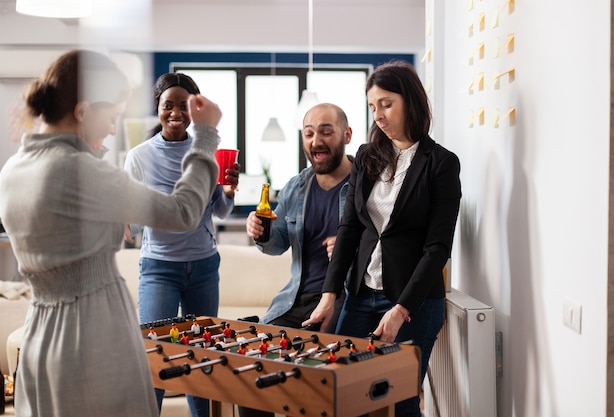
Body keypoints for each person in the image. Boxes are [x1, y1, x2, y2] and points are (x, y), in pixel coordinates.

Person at [0, 49, 221, 417]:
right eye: (111, 117)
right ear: (83, 112)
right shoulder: (80, 170)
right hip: (94, 333)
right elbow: (183, 212)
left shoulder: (14, 169)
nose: (113, 129)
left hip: (41, 334)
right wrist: (205, 137)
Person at [304, 60, 462, 417]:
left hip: (413, 305)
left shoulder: (442, 163)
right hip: (360, 296)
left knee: (401, 402)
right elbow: (350, 228)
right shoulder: (366, 156)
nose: (378, 114)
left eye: (386, 104)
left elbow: (438, 248)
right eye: (373, 107)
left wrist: (401, 310)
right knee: (342, 394)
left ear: (411, 101)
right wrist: (330, 295)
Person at [123, 72, 239, 417]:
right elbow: (132, 221)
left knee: (202, 358)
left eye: (184, 106)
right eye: (167, 105)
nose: (175, 112)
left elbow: (219, 210)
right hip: (159, 268)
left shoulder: (207, 150)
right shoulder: (139, 157)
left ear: (195, 110)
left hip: (204, 266)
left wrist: (230, 192)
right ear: (158, 109)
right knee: (155, 355)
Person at [238, 103, 353, 417]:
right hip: (295, 301)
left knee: (317, 385)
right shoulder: (296, 187)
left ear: (346, 135)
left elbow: (386, 244)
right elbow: (277, 245)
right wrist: (261, 234)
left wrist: (349, 250)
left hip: (345, 301)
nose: (316, 140)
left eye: (326, 131)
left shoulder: (365, 184)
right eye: (309, 132)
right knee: (251, 371)